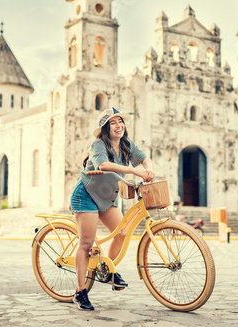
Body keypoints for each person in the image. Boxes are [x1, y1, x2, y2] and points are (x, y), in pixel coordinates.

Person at [70, 108, 155, 310]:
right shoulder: (98, 144)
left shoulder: (127, 145)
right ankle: (80, 291)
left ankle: (106, 270)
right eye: (113, 123)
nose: (119, 125)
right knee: (86, 243)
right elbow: (103, 165)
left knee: (122, 232)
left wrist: (149, 167)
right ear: (106, 129)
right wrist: (133, 170)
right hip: (87, 194)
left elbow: (144, 158)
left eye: (121, 122)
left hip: (108, 197)